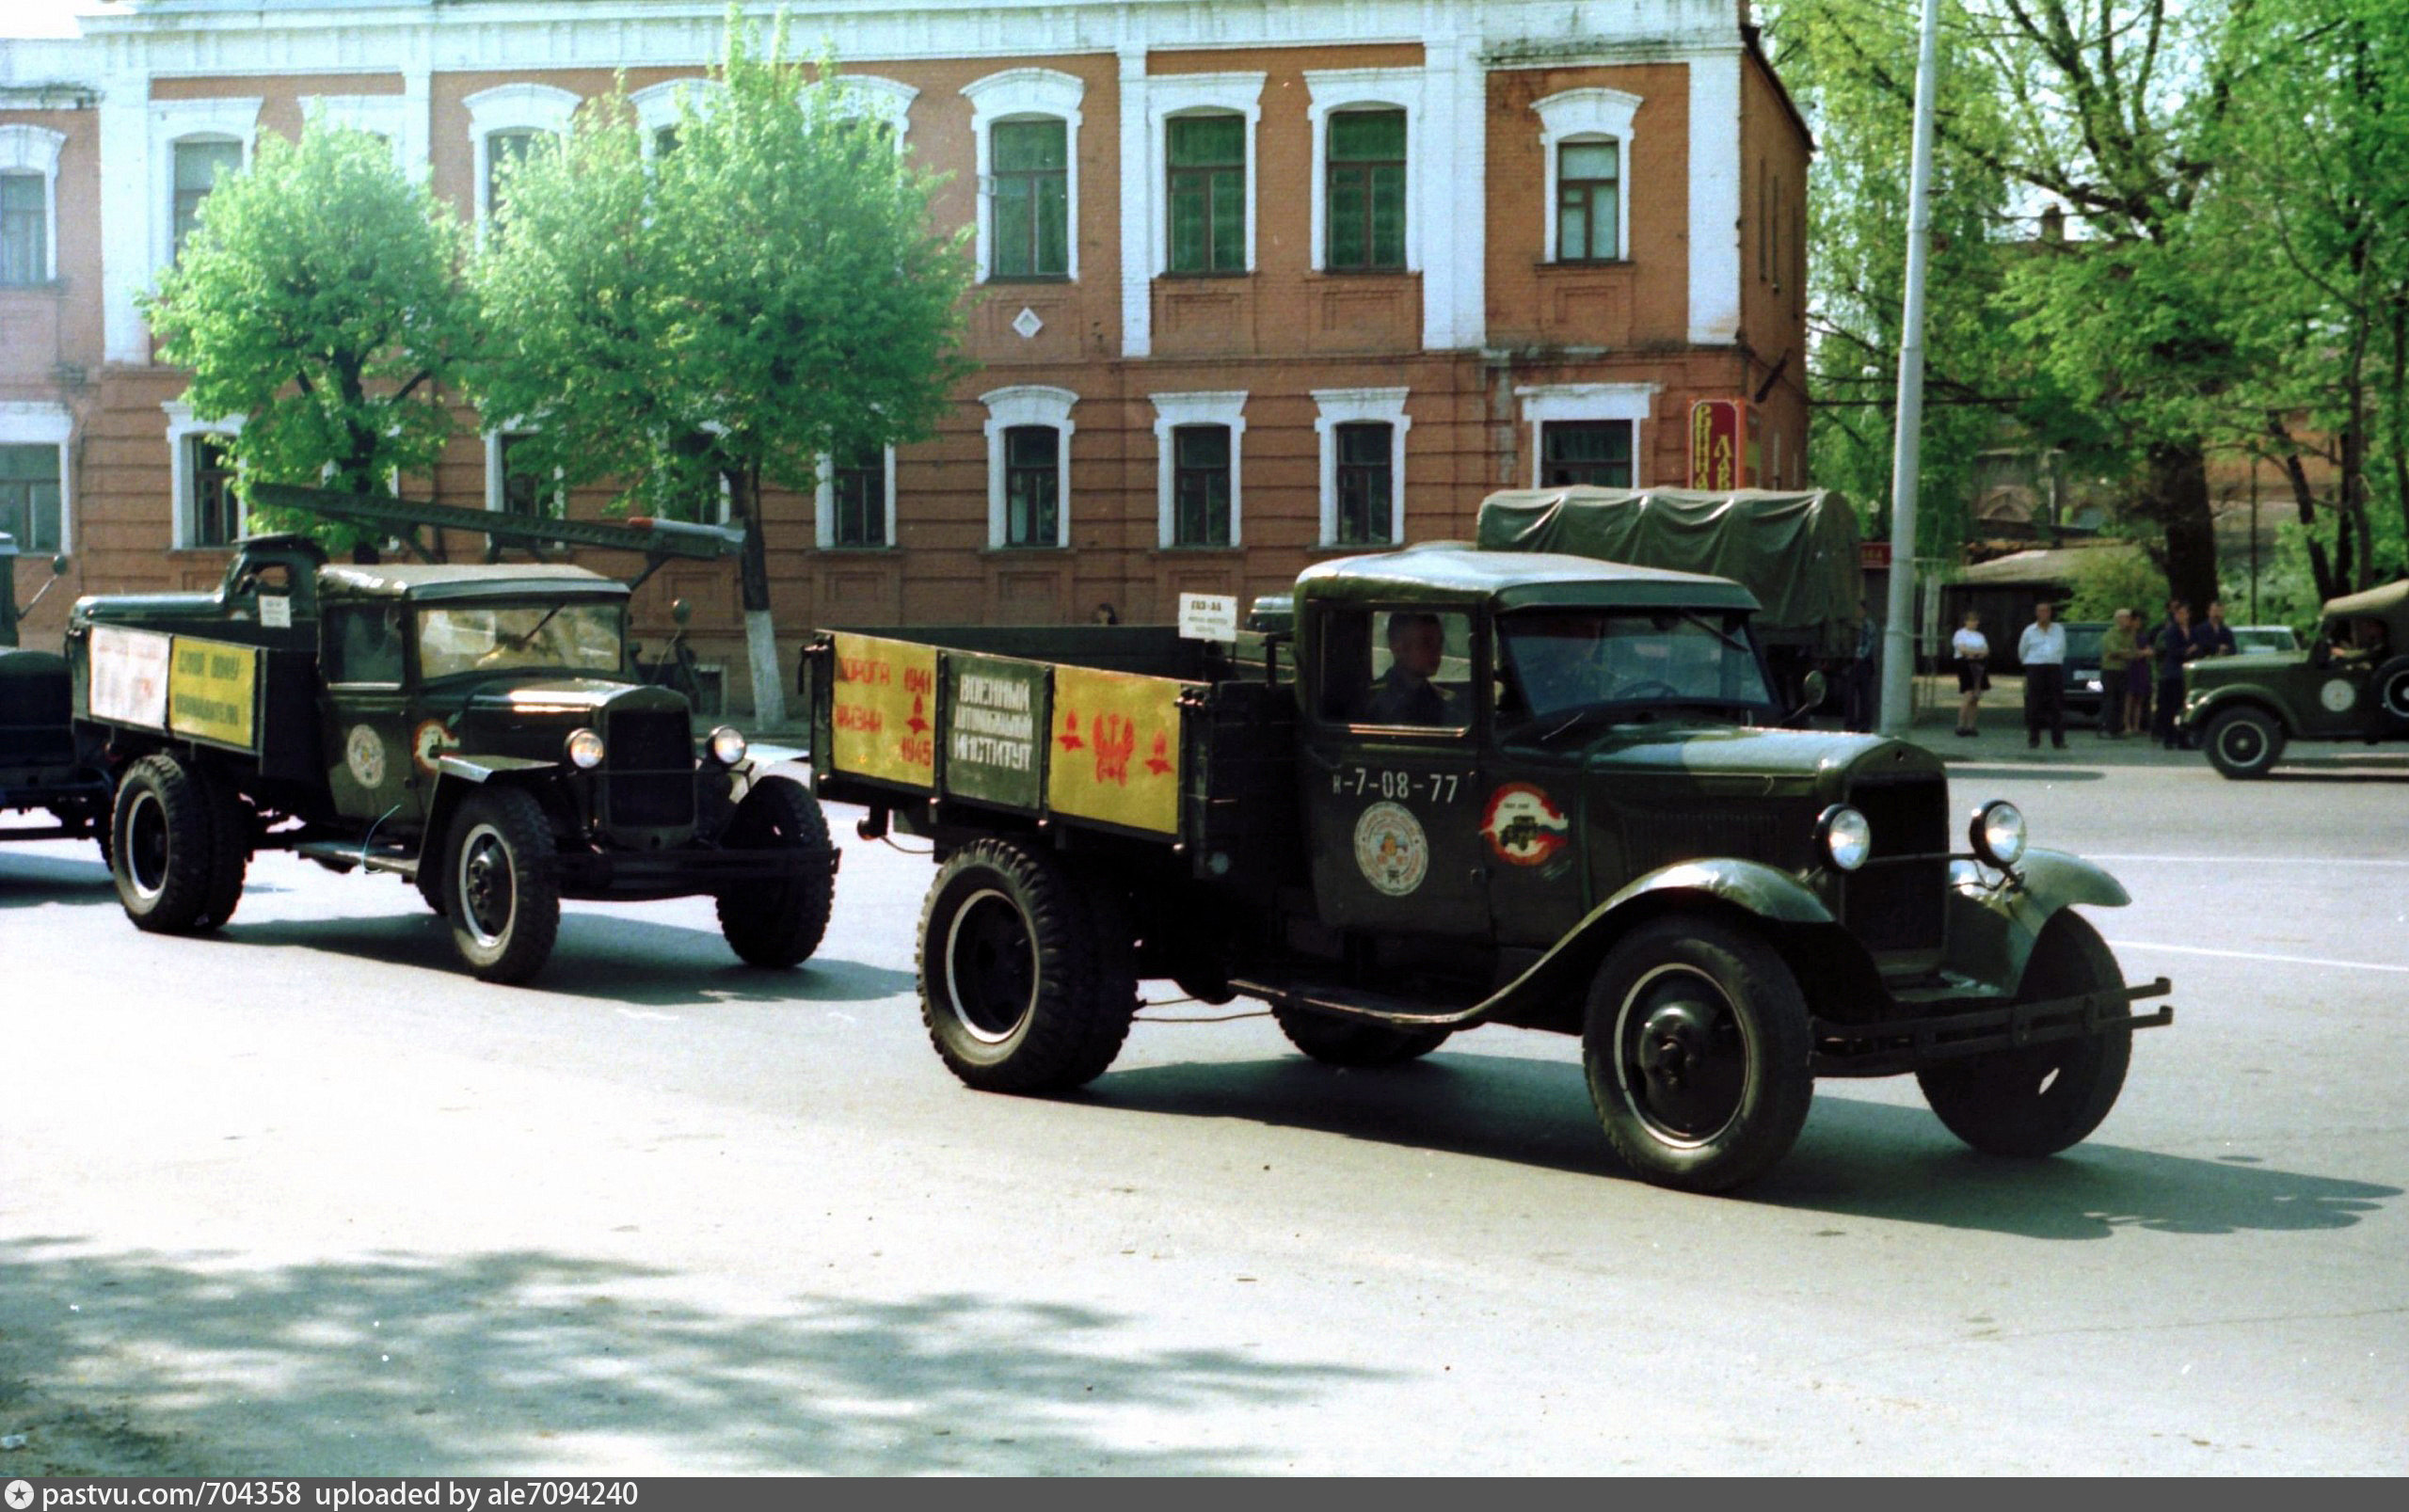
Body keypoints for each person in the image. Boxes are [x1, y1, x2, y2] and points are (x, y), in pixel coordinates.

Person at [1364, 612, 1459, 726]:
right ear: (1397, 647)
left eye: (1439, 643)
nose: (1436, 651)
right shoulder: (1372, 702)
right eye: (1426, 643)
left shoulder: (1446, 701)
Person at [2018, 599, 2068, 749]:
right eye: (2040, 611)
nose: (2043, 614)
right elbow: (2022, 651)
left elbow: (2063, 648)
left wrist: (2055, 660)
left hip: (2054, 668)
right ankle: (2034, 739)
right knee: (2035, 705)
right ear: (2036, 613)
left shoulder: (2058, 629)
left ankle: (2058, 740)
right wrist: (2030, 664)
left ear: (2050, 613)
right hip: (2035, 667)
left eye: (2046, 611)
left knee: (2056, 705)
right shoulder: (2029, 630)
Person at [2152, 599, 2198, 748]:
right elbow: (2173, 651)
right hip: (2173, 674)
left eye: (2184, 613)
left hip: (2187, 674)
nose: (2181, 616)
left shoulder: (2192, 630)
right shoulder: (2171, 631)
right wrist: (2188, 651)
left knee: (2183, 707)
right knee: (2171, 707)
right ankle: (2169, 738)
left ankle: (2182, 738)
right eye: (2178, 613)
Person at [2098, 608, 2138, 739]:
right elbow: (2113, 650)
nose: (2128, 620)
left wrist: (2123, 653)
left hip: (2123, 670)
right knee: (2110, 699)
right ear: (2118, 619)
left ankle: (2117, 729)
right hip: (2110, 670)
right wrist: (2123, 652)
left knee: (2121, 700)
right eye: (2125, 617)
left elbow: (2133, 652)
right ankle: (2105, 728)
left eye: (2129, 618)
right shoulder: (2111, 633)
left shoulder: (2130, 634)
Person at [1950, 610, 1989, 738]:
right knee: (1968, 693)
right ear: (1966, 621)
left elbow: (1986, 650)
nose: (1974, 623)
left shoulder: (1980, 636)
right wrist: (1973, 652)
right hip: (1965, 664)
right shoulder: (1960, 634)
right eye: (1971, 620)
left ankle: (1971, 726)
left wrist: (1976, 653)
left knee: (1976, 696)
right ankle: (1960, 724)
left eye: (1976, 620)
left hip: (1979, 664)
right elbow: (1961, 649)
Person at [1844, 600, 1879, 733]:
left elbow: (1869, 644)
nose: (1857, 612)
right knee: (1850, 694)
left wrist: (1859, 656)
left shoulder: (1868, 625)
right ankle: (1851, 723)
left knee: (1865, 695)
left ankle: (1865, 724)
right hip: (1855, 663)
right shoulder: (1855, 625)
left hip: (1864, 663)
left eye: (1859, 610)